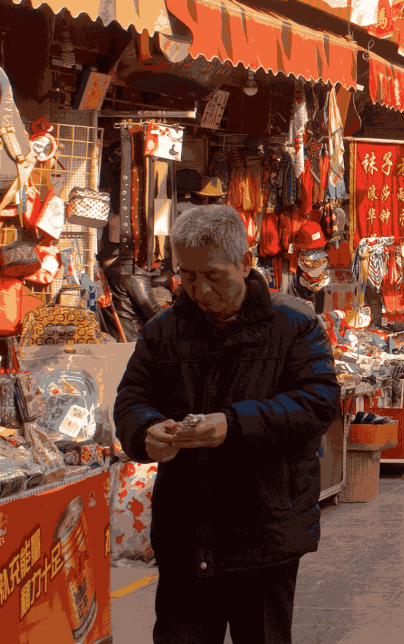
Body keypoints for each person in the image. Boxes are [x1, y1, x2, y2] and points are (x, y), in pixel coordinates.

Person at [114, 205, 340, 644]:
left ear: (245, 263)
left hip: (265, 527)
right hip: (186, 530)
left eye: (213, 275)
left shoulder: (294, 324)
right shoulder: (163, 331)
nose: (199, 289)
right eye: (188, 276)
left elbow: (318, 403)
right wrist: (146, 431)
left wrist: (233, 425)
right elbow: (132, 399)